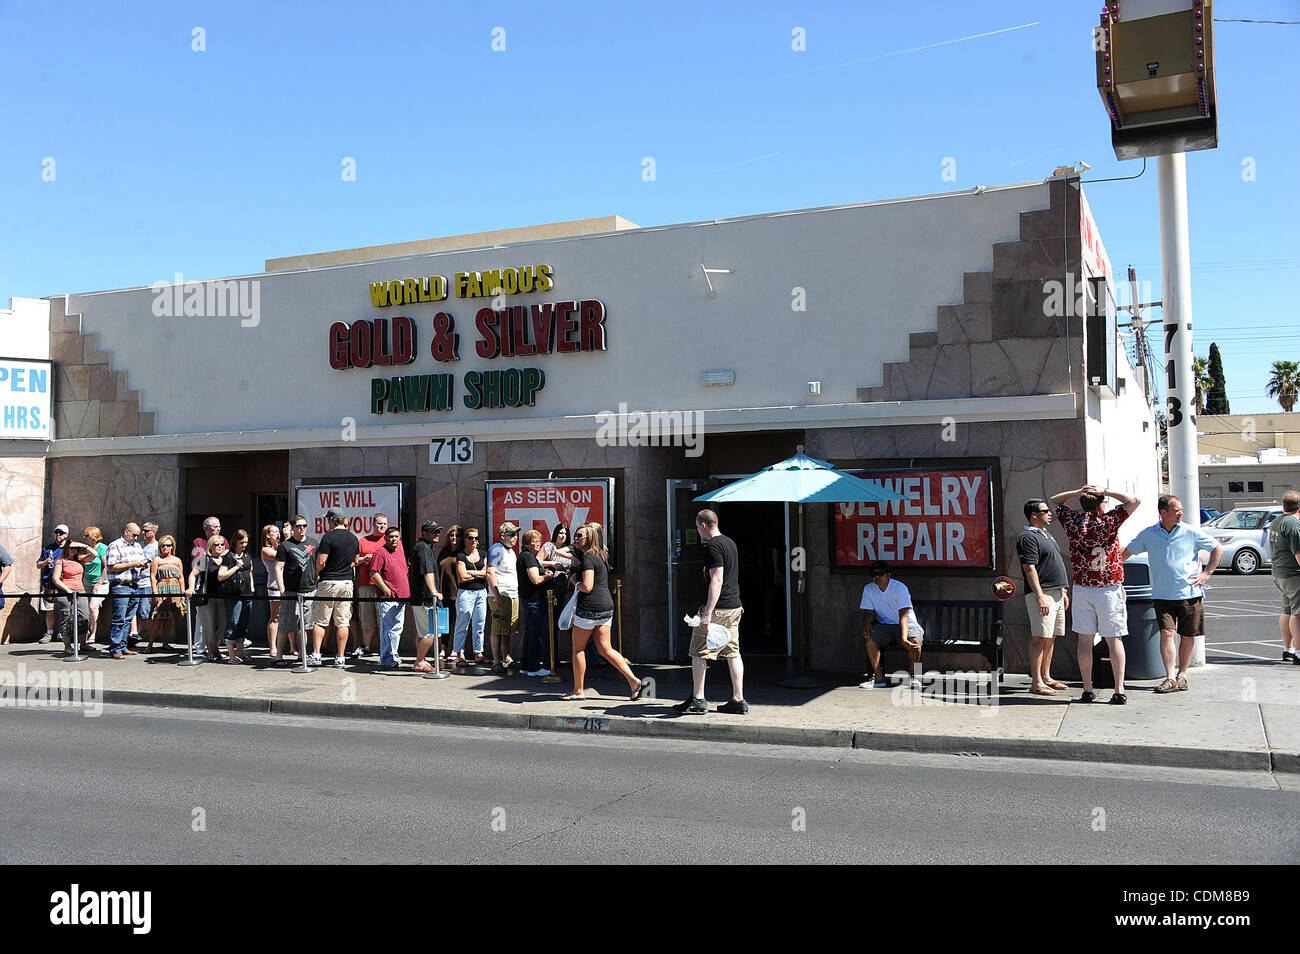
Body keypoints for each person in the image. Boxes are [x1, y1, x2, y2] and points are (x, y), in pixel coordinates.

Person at [1122, 495, 1224, 694]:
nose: (1181, 513)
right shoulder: (1149, 534)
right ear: (1163, 512)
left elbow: (1217, 548)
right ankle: (1169, 677)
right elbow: (1127, 552)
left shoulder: (1191, 532)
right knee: (1167, 633)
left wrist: (1207, 573)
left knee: (1187, 636)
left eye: (1181, 509)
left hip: (1190, 594)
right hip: (1162, 595)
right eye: (1176, 510)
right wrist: (1109, 567)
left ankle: (1182, 675)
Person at [1051, 484, 1140, 704]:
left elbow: (1055, 499)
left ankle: (1087, 688)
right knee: (1113, 639)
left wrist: (1077, 492)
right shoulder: (1109, 520)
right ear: (1101, 504)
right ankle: (1119, 689)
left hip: (1083, 586)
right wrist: (1106, 491)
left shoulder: (1073, 522)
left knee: (1085, 639)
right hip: (1108, 585)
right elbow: (1134, 501)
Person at [562, 523, 645, 701]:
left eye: (580, 536)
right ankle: (633, 681)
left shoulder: (587, 558)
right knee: (605, 649)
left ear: (589, 539)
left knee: (578, 649)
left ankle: (578, 691)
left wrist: (574, 581)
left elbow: (587, 586)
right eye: (576, 535)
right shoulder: (601, 555)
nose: (576, 539)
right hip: (606, 607)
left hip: (589, 608)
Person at [673, 509, 745, 714]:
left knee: (698, 652)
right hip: (734, 606)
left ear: (703, 525)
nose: (697, 531)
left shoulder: (712, 547)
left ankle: (698, 699)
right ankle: (738, 700)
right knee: (733, 652)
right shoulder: (730, 543)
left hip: (719, 609)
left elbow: (717, 579)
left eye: (697, 527)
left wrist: (707, 613)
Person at [1017, 498, 1070, 695]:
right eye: (1045, 511)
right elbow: (1029, 568)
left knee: (1051, 636)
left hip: (1056, 593)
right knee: (1039, 637)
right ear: (1034, 515)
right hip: (1043, 594)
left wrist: (1063, 591)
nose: (1050, 513)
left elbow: (1053, 564)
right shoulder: (1027, 538)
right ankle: (1036, 682)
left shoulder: (1046, 535)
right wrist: (1039, 596)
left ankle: (1046, 676)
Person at [857, 560, 924, 690]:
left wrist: (904, 639)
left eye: (880, 574)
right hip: (885, 626)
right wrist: (866, 624)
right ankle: (878, 678)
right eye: (873, 575)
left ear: (888, 575)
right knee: (870, 638)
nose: (876, 577)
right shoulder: (869, 589)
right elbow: (868, 612)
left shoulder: (899, 588)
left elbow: (904, 615)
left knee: (915, 642)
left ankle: (913, 676)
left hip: (907, 624)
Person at [310, 508, 362, 668]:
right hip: (346, 582)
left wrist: (319, 572)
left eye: (328, 520)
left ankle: (317, 654)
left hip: (329, 582)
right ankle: (340, 657)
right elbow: (355, 561)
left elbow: (320, 562)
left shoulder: (328, 538)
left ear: (332, 520)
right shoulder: (354, 538)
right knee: (343, 621)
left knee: (320, 621)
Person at [188, 535, 239, 662]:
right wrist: (191, 588)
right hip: (207, 597)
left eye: (222, 544)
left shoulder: (226, 559)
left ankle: (216, 649)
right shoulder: (205, 559)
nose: (220, 547)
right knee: (208, 625)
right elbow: (193, 574)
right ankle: (211, 651)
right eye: (216, 544)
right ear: (211, 546)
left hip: (223, 596)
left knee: (223, 624)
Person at [274, 516, 317, 665]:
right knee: (285, 623)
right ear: (292, 528)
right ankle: (278, 656)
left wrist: (315, 582)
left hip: (309, 590)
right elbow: (278, 568)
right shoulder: (285, 545)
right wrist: (282, 589)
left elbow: (318, 566)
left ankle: (302, 655)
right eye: (298, 526)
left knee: (305, 625)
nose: (302, 528)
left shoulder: (314, 543)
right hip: (291, 590)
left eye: (304, 525)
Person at [354, 513, 397, 659]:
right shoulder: (363, 541)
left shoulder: (390, 541)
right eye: (379, 524)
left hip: (384, 586)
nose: (382, 526)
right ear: (373, 524)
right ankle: (366, 646)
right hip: (366, 584)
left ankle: (385, 648)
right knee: (367, 618)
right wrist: (365, 559)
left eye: (384, 524)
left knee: (384, 619)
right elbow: (354, 562)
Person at [369, 525, 411, 670]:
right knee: (387, 628)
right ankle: (386, 658)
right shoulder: (380, 552)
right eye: (391, 537)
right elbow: (374, 573)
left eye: (396, 537)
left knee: (397, 628)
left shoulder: (400, 551)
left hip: (402, 597)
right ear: (385, 538)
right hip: (388, 597)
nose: (394, 539)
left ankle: (393, 654)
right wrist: (386, 590)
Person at [105, 522, 149, 660]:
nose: (136, 538)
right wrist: (132, 564)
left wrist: (143, 565)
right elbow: (111, 567)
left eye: (137, 535)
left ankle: (123, 646)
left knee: (128, 619)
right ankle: (115, 648)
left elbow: (141, 562)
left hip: (135, 585)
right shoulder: (115, 545)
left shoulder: (137, 546)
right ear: (126, 532)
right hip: (121, 586)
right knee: (119, 618)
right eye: (134, 535)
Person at [1268, 490, 1300, 666]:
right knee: (1298, 613)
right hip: (1293, 574)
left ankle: (1289, 649)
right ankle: (1299, 653)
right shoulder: (1294, 524)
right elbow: (1298, 552)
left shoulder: (1276, 521)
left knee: (1287, 610)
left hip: (1279, 572)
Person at [487, 522, 522, 673]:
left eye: (515, 534)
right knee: (497, 628)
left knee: (506, 629)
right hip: (501, 594)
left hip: (511, 594)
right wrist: (496, 594)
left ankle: (506, 656)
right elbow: (490, 572)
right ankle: (496, 661)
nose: (515, 537)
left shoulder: (510, 551)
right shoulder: (496, 550)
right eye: (512, 534)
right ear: (503, 536)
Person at [410, 521, 445, 672]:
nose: (437, 534)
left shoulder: (424, 547)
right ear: (424, 533)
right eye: (433, 531)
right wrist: (433, 591)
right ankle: (420, 661)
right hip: (425, 598)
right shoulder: (423, 548)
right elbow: (427, 571)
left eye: (438, 531)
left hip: (420, 597)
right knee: (431, 633)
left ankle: (421, 659)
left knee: (422, 632)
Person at [519, 529, 555, 677]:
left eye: (539, 541)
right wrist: (548, 575)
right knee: (535, 633)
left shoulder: (527, 556)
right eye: (535, 541)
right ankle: (533, 667)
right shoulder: (528, 557)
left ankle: (526, 665)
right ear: (527, 543)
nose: (538, 544)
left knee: (531, 632)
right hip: (533, 600)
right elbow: (536, 579)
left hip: (530, 600)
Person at [453, 528, 489, 666]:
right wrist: (478, 573)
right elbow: (462, 577)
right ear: (465, 539)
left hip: (481, 592)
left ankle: (478, 653)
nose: (473, 540)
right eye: (470, 537)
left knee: (479, 623)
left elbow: (487, 573)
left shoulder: (483, 554)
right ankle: (459, 653)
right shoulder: (461, 556)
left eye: (476, 538)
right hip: (465, 593)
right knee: (462, 623)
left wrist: (471, 572)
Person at [146, 535, 186, 651]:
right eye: (162, 545)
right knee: (158, 618)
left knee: (169, 618)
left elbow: (181, 577)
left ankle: (165, 643)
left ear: (172, 546)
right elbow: (152, 577)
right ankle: (150, 644)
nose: (165, 548)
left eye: (168, 545)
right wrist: (155, 592)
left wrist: (182, 593)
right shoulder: (157, 560)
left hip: (174, 589)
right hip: (161, 588)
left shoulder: (177, 560)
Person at [52, 543, 90, 653]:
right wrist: (68, 590)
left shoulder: (79, 559)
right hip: (65, 592)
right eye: (72, 548)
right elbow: (56, 579)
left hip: (80, 590)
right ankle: (67, 646)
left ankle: (83, 644)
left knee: (84, 617)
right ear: (67, 549)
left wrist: (83, 546)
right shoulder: (61, 561)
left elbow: (95, 555)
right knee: (66, 618)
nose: (74, 550)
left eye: (76, 548)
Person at [36, 524, 69, 643]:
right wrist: (45, 562)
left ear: (66, 535)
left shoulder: (70, 548)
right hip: (49, 583)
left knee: (64, 609)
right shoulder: (48, 548)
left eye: (61, 533)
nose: (58, 535)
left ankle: (62, 633)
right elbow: (38, 565)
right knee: (49, 610)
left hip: (65, 583)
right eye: (56, 532)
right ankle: (49, 633)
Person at [226, 530, 255, 663]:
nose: (243, 545)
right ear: (235, 542)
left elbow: (250, 571)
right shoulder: (229, 557)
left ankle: (241, 652)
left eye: (245, 542)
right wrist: (237, 567)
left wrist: (253, 586)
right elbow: (221, 575)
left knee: (243, 623)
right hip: (234, 594)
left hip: (248, 593)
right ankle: (231, 655)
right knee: (233, 622)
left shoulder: (247, 555)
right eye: (241, 542)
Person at [130, 522, 159, 646]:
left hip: (147, 582)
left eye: (146, 531)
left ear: (154, 532)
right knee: (131, 608)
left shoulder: (157, 547)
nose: (143, 533)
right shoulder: (138, 545)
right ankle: (133, 633)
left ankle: (136, 633)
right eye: (143, 530)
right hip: (134, 580)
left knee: (144, 611)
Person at [436, 525, 461, 661]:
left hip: (459, 593)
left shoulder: (463, 553)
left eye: (457, 535)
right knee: (444, 623)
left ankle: (456, 650)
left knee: (459, 623)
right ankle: (443, 648)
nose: (454, 538)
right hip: (443, 593)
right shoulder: (444, 551)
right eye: (451, 535)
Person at [260, 524, 283, 660]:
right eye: (275, 532)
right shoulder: (266, 550)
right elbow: (282, 555)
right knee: (275, 616)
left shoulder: (281, 546)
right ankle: (272, 646)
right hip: (274, 586)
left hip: (286, 586)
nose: (278, 534)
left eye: (278, 531)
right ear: (268, 535)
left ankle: (292, 646)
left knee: (288, 616)